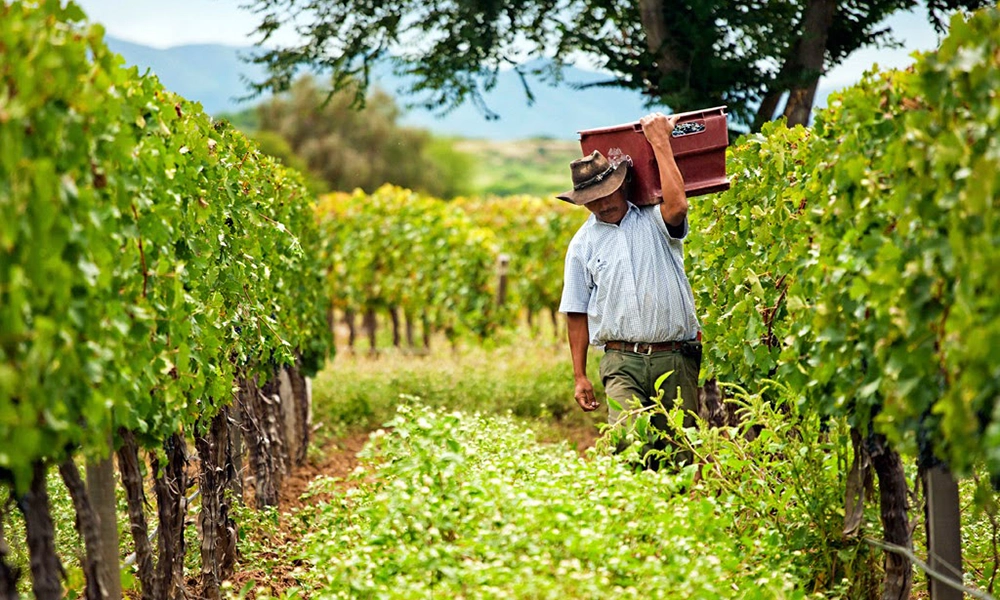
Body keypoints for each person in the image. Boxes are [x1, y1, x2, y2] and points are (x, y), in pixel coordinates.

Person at [557, 112, 702, 469]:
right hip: (621, 361)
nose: (603, 204)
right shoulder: (582, 245)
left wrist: (660, 142)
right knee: (628, 446)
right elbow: (576, 311)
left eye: (607, 193)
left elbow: (679, 206)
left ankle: (670, 506)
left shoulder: (654, 220)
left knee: (680, 456)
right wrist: (579, 376)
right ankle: (636, 505)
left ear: (621, 186)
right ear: (583, 202)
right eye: (592, 199)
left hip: (675, 357)